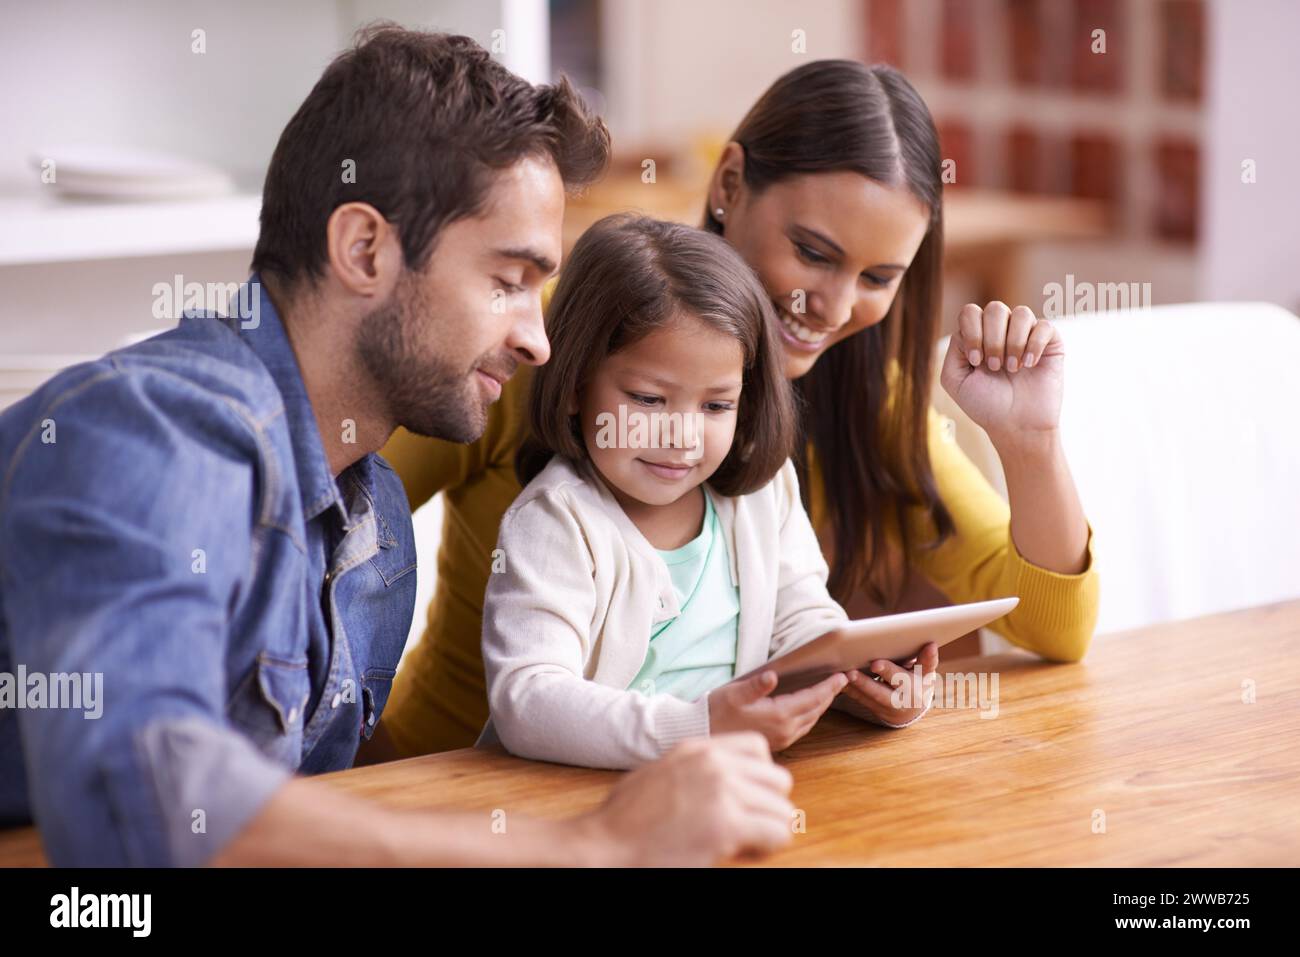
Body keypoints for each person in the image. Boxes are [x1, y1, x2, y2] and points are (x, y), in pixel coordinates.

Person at [0, 26, 795, 867]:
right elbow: (141, 799)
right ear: (364, 249)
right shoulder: (147, 434)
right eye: (508, 281)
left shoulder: (370, 515)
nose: (539, 341)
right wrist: (592, 845)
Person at [372, 58, 1100, 761]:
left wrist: (1029, 442)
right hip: (452, 785)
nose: (836, 307)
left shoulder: (858, 402)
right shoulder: (549, 342)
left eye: (879, 277)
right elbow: (342, 518)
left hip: (682, 795)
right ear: (729, 184)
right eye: (813, 251)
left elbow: (1055, 628)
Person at [478, 214, 940, 770]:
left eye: (716, 405)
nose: (682, 435)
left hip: (716, 795)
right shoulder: (556, 521)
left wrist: (865, 685)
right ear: (576, 386)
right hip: (577, 813)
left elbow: (805, 625)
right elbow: (528, 702)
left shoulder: (764, 494)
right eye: (649, 400)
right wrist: (698, 728)